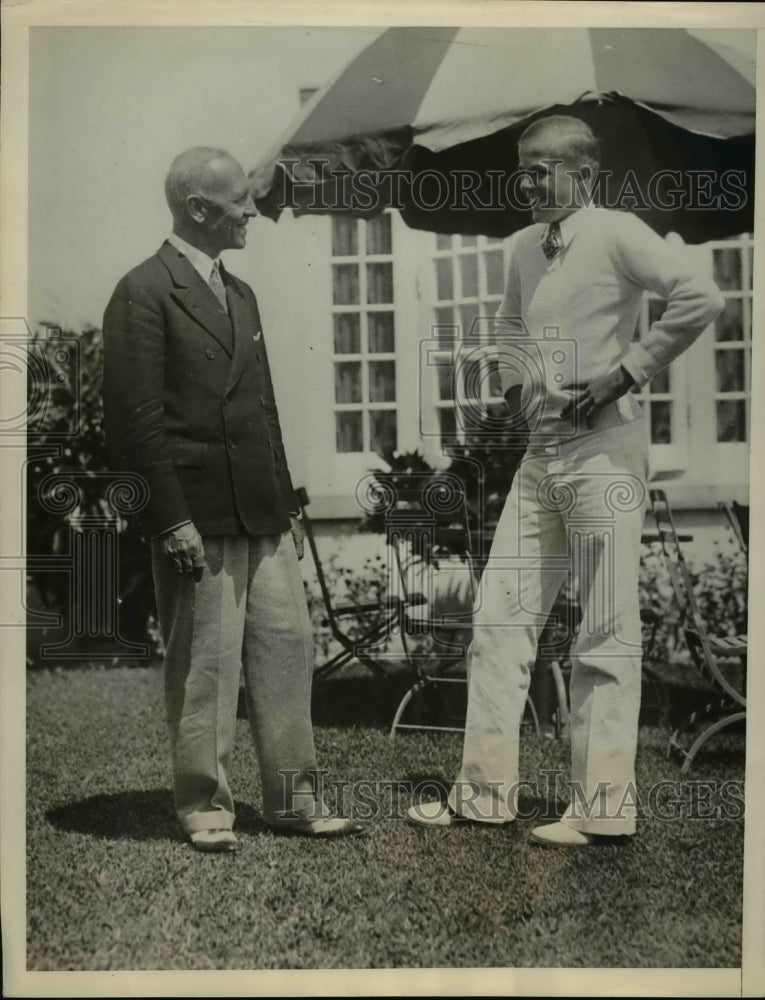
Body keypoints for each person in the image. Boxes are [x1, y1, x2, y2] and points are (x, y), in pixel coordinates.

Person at [407, 116, 724, 845]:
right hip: (540, 459)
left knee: (603, 631)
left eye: (539, 170)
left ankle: (602, 812)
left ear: (583, 174)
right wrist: (521, 400)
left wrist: (625, 373)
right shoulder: (522, 246)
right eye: (519, 169)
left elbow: (699, 298)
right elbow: (510, 328)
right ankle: (484, 796)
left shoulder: (616, 230)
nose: (524, 183)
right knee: (498, 621)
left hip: (605, 458)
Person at [102, 147, 363, 851]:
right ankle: (204, 804)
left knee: (287, 646)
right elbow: (134, 423)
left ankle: (293, 800)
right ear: (197, 209)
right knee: (206, 665)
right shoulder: (143, 291)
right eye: (239, 202)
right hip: (197, 513)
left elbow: (264, 408)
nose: (252, 212)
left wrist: (283, 498)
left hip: (260, 512)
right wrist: (171, 519)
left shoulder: (240, 293)